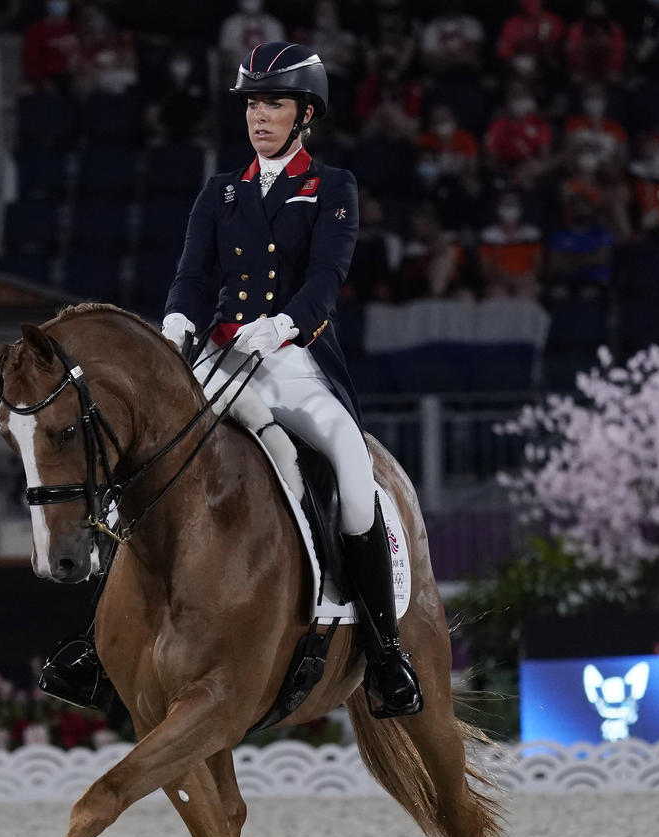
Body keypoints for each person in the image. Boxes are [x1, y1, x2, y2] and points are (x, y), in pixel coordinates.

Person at [39, 41, 424, 720]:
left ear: (306, 114)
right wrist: (177, 323)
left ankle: (384, 648)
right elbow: (192, 275)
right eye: (252, 105)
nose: (259, 117)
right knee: (143, 463)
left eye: (273, 104)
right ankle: (98, 645)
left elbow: (326, 280)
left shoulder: (332, 188)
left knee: (349, 463)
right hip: (218, 359)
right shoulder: (220, 191)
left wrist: (281, 326)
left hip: (294, 362)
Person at [477, 191, 543, 298]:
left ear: (520, 208)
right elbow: (485, 268)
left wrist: (526, 278)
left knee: (527, 293)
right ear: (498, 208)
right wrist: (504, 278)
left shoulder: (532, 233)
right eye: (506, 204)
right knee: (497, 294)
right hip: (498, 281)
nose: (509, 208)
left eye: (513, 204)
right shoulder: (489, 235)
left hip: (526, 280)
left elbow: (537, 264)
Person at [21, 0, 79, 94]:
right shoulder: (36, 31)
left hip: (71, 77)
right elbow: (30, 61)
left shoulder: (72, 28)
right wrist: (42, 80)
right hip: (46, 77)